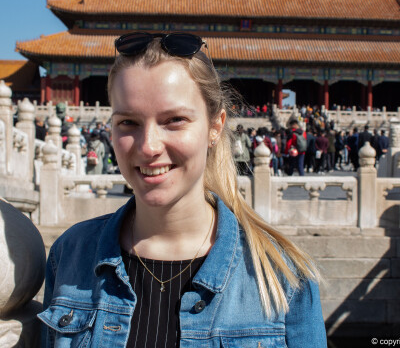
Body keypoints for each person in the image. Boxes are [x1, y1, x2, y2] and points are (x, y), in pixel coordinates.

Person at [39, 32, 326, 347]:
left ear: (215, 127)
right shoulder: (71, 255)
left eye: (174, 120)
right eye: (128, 123)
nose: (149, 147)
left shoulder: (282, 275)